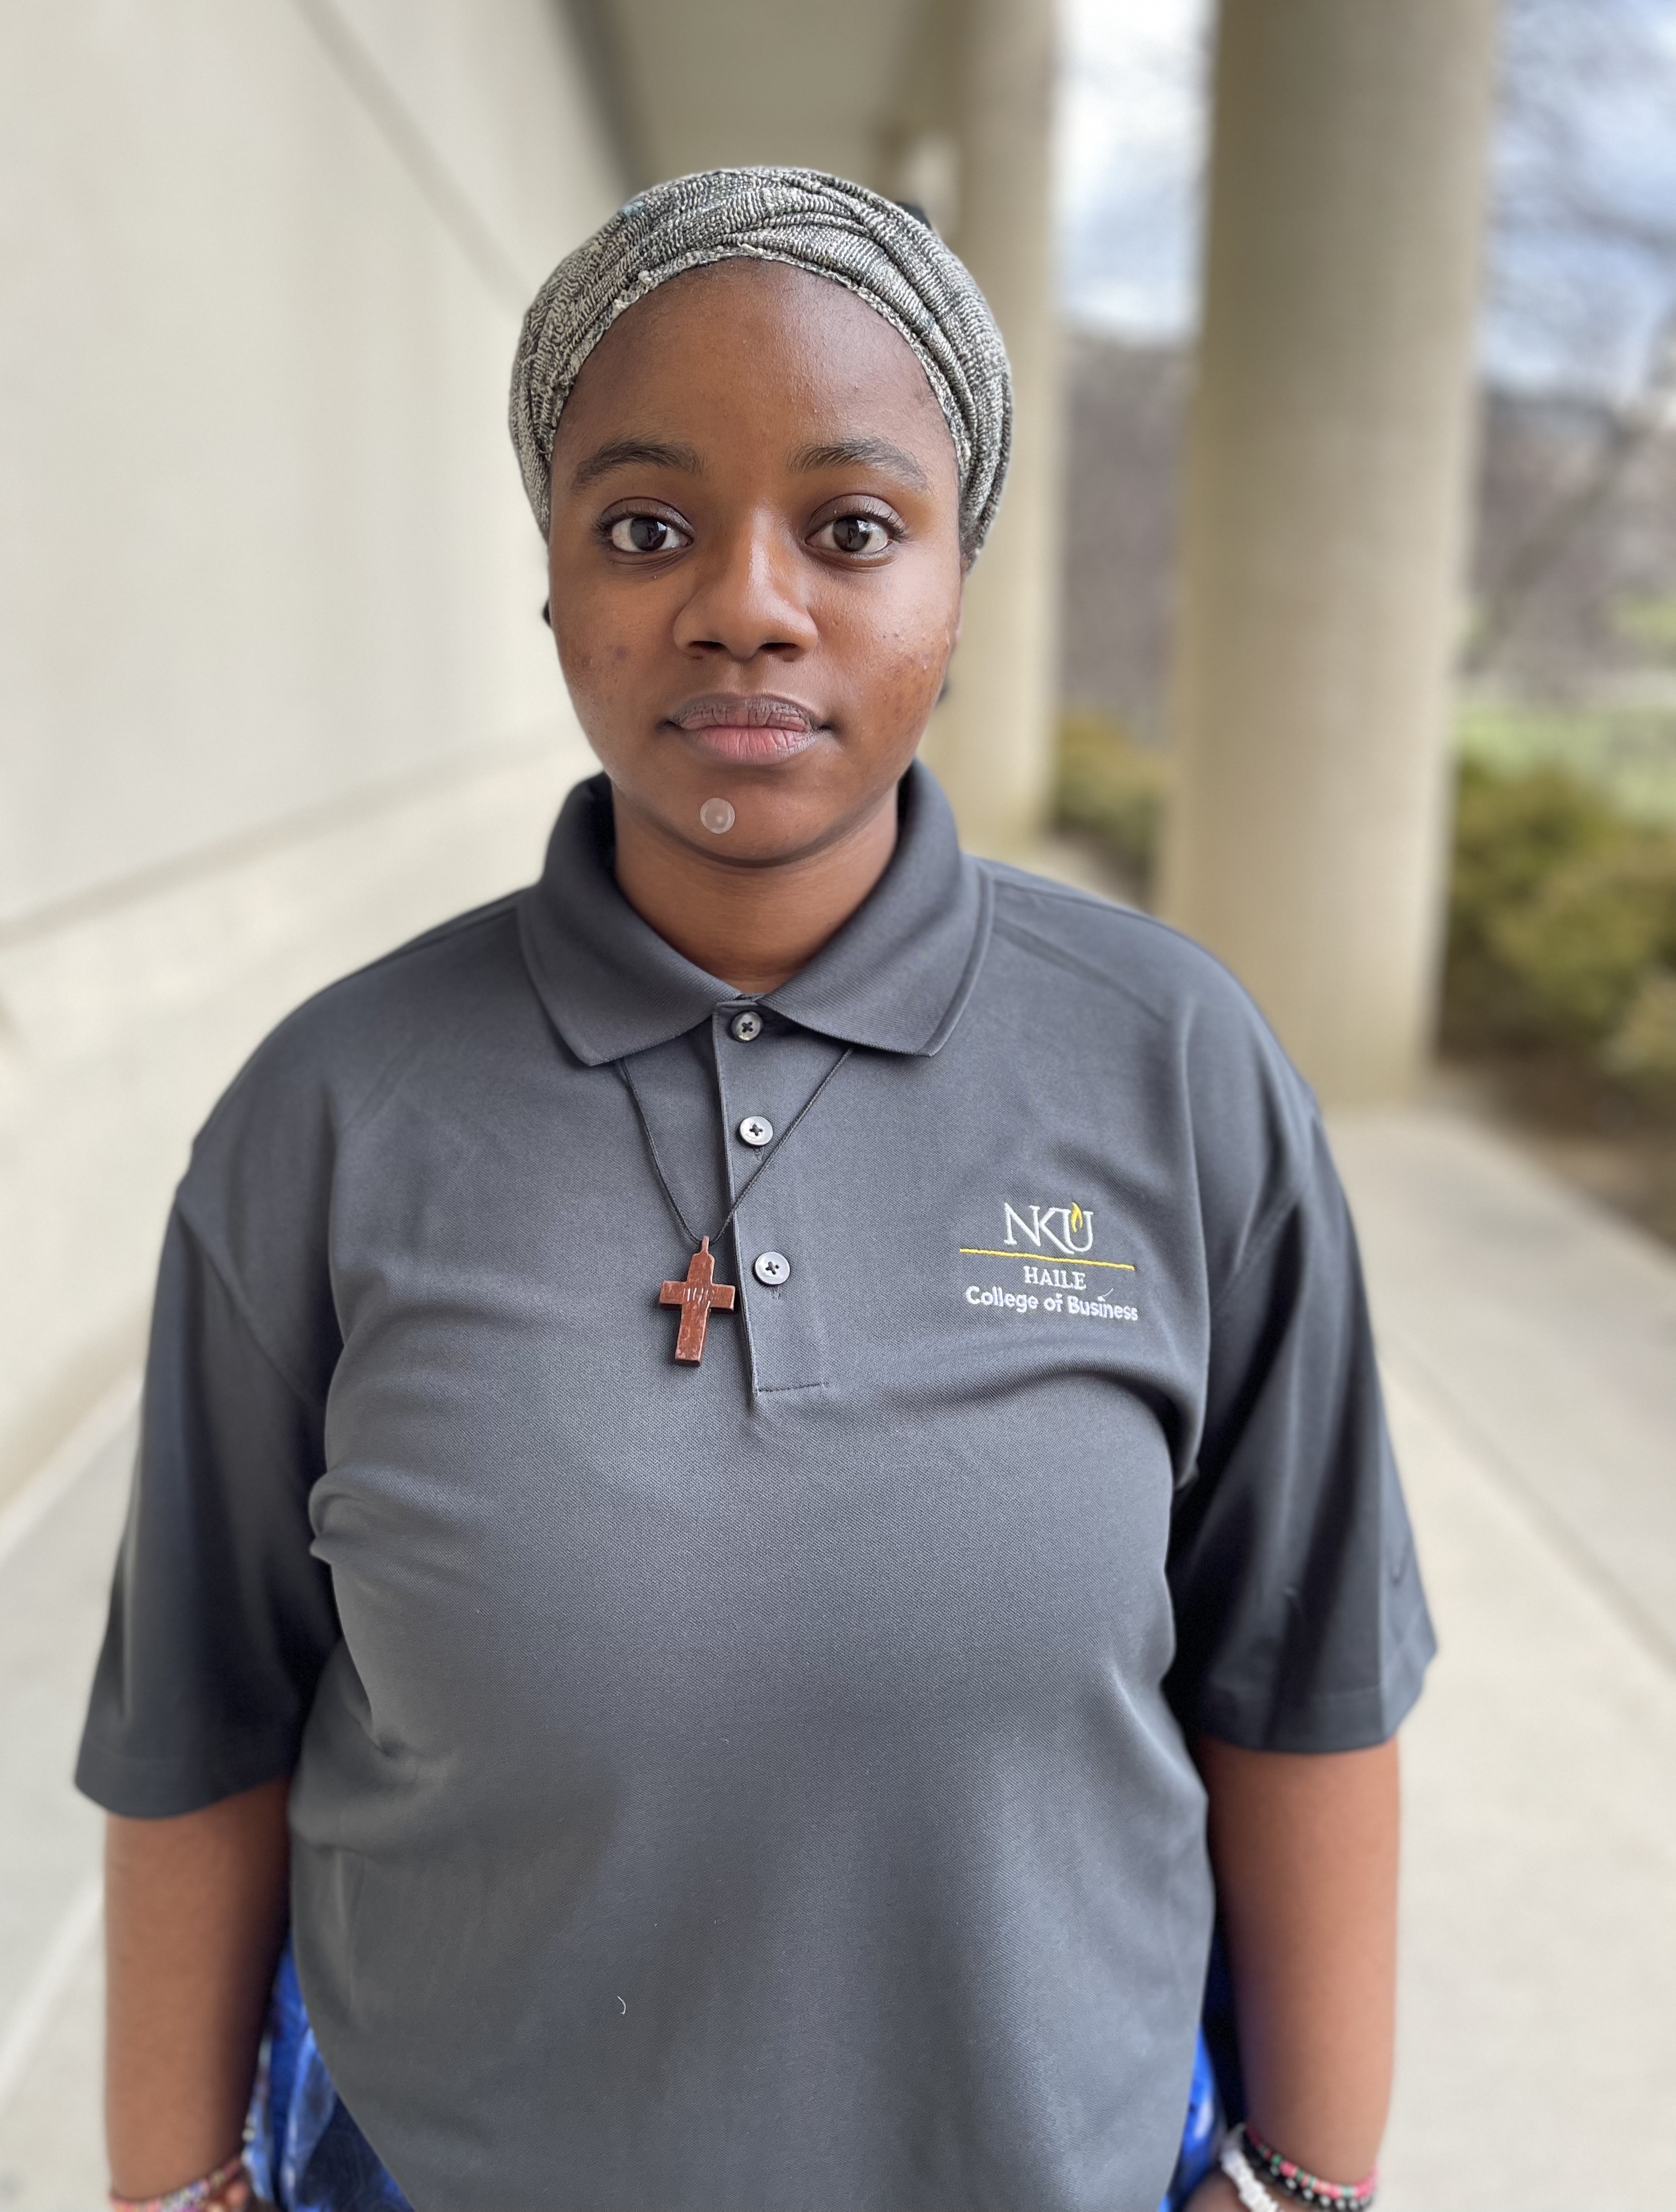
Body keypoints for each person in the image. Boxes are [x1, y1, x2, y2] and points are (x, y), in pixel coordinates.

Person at [79, 167, 1433, 2212]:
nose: (747, 602)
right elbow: (202, 1720)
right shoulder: (332, 1113)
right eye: (646, 527)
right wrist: (173, 2193)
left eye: (853, 526)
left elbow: (1302, 1678)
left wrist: (1310, 2183)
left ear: (957, 581)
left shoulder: (1173, 1069)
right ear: (551, 582)